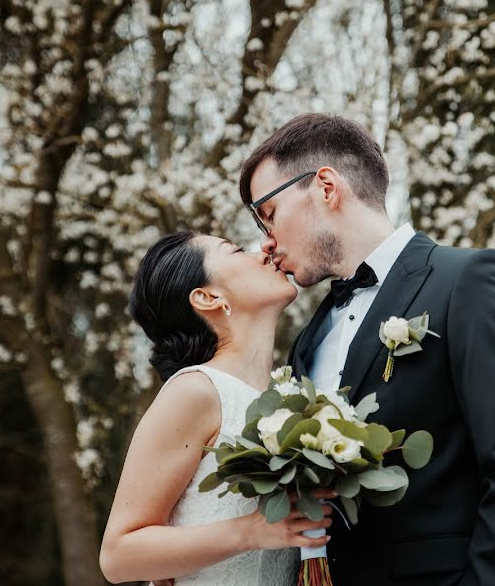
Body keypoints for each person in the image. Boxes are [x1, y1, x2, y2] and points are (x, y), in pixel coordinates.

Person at [238, 113, 495, 585]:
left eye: (267, 214)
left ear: (325, 187)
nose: (266, 242)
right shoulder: (310, 338)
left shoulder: (469, 283)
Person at [99, 231, 333, 585]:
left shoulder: (292, 396)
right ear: (208, 297)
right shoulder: (194, 391)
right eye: (237, 250)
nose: (264, 251)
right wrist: (251, 532)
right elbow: (118, 555)